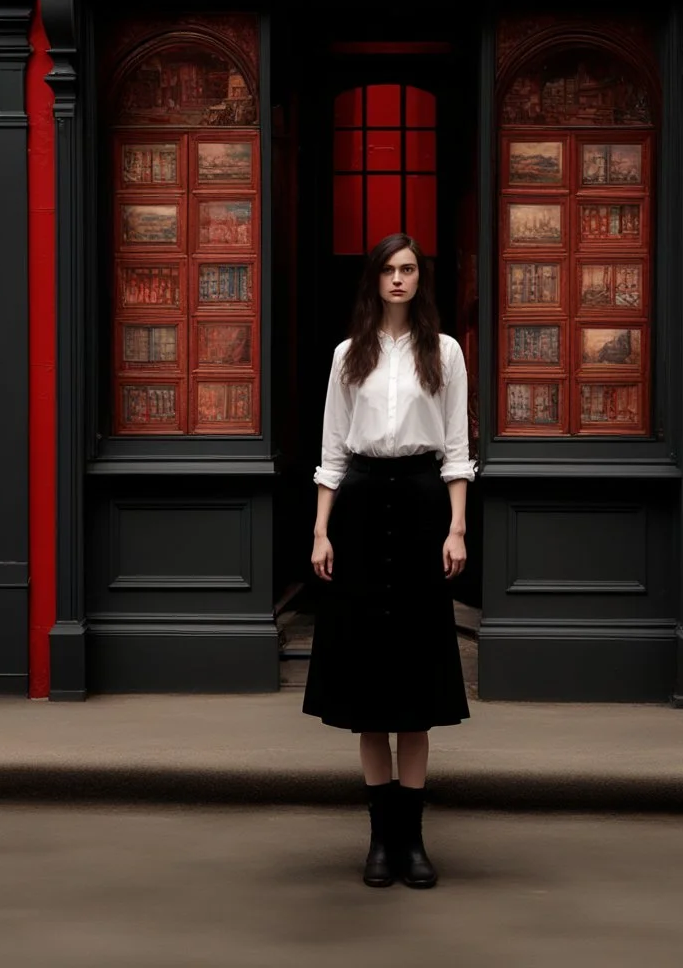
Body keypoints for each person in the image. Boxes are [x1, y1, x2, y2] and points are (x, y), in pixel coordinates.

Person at [303, 233, 475, 890]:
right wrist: (321, 533)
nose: (398, 280)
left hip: (426, 506)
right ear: (373, 280)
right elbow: (331, 454)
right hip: (362, 508)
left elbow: (457, 448)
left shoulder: (447, 353)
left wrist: (457, 529)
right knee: (370, 687)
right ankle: (380, 842)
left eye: (408, 270)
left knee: (417, 685)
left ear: (418, 279)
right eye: (388, 270)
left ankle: (414, 840)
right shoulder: (349, 356)